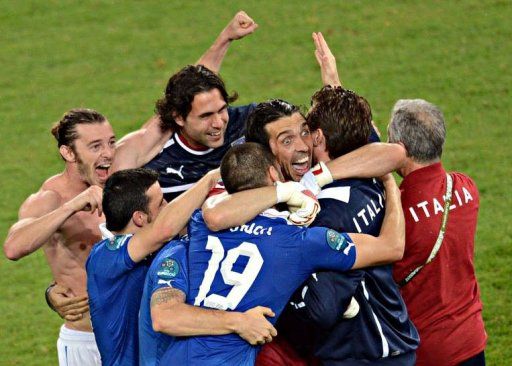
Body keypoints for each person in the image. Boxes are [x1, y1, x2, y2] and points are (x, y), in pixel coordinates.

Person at [160, 142, 405, 366]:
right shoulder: (300, 241)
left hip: (174, 358)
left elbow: (209, 211)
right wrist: (390, 186)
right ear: (273, 174)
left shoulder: (200, 223)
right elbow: (391, 246)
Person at [270, 86, 419, 366]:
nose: (302, 143)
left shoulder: (327, 216)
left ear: (319, 137)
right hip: (393, 338)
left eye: (306, 133)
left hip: (361, 352)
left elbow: (323, 309)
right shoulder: (370, 172)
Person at [87, 168, 277, 365]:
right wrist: (211, 178)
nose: (169, 207)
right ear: (139, 218)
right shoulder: (105, 256)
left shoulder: (155, 250)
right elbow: (165, 229)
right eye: (161, 203)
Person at [3, 109, 115, 365]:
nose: (108, 152)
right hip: (87, 341)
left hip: (136, 333)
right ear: (68, 152)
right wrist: (71, 207)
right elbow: (13, 247)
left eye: (111, 142)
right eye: (95, 146)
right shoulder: (50, 198)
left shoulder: (120, 182)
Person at [113, 11, 259, 201]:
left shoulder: (250, 122)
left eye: (221, 109)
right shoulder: (155, 155)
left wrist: (226, 38)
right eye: (206, 116)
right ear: (179, 117)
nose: (218, 123)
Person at [388, 99, 487, 365]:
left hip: (425, 349)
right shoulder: (466, 187)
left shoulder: (396, 211)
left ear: (400, 149)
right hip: (472, 338)